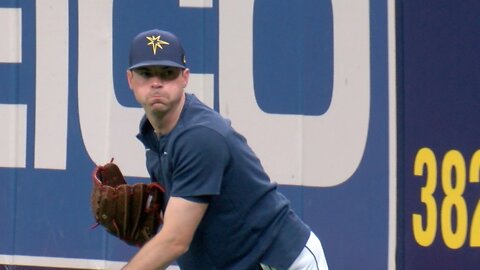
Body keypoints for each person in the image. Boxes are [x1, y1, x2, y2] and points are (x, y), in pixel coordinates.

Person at [122, 29, 329, 270]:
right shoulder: (153, 132)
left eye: (167, 74)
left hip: (282, 261)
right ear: (130, 80)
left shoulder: (200, 136)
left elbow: (175, 241)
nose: (156, 83)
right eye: (146, 74)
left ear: (185, 78)